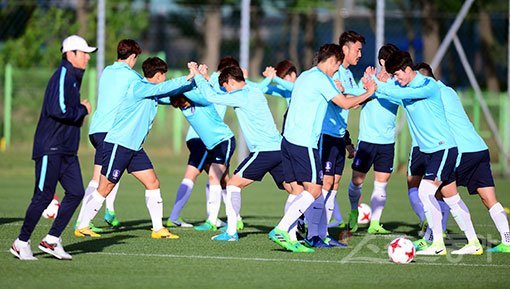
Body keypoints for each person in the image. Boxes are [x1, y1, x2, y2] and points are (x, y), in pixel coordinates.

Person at [268, 44, 376, 253]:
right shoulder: (321, 79)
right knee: (316, 190)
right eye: (337, 64)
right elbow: (344, 104)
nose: (337, 69)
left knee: (297, 190)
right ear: (332, 60)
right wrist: (369, 92)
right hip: (304, 143)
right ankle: (282, 229)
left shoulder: (305, 76)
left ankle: (291, 238)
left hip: (288, 140)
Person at [75, 57, 195, 239]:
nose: (165, 78)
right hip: (119, 144)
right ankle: (82, 225)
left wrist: (195, 81)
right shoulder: (139, 87)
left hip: (134, 148)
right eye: (164, 75)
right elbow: (163, 89)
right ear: (158, 75)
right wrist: (188, 76)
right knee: (106, 186)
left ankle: (158, 229)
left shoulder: (150, 91)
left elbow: (168, 93)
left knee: (153, 182)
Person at [374, 51, 481, 255]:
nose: (396, 79)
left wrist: (379, 85)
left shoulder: (427, 85)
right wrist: (368, 84)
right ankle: (474, 242)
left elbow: (398, 93)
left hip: (443, 148)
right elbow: (384, 91)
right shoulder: (402, 85)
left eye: (397, 75)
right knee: (451, 199)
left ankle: (437, 244)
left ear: (407, 69)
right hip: (432, 152)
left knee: (424, 191)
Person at [10, 35, 96, 260]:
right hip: (51, 148)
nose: (88, 57)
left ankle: (52, 240)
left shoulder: (74, 78)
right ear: (71, 54)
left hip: (67, 149)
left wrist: (79, 112)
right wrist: (82, 110)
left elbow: (66, 111)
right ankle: (21, 242)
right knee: (43, 196)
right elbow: (57, 109)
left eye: (88, 53)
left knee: (76, 191)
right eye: (84, 53)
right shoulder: (63, 75)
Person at [190, 64, 296, 244]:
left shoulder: (241, 96)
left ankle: (231, 233)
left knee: (232, 185)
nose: (227, 91)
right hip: (279, 149)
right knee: (295, 190)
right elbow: (220, 94)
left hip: (264, 151)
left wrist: (196, 76)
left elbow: (211, 96)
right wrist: (207, 78)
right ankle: (296, 231)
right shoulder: (254, 91)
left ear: (231, 82)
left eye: (226, 87)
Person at [413, 63, 510, 253]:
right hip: (479, 148)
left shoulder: (431, 93)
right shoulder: (448, 90)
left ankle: (437, 240)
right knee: (489, 198)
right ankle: (507, 240)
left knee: (439, 192)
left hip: (461, 151)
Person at [304, 31, 367, 248]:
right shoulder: (333, 72)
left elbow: (353, 100)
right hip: (326, 135)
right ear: (345, 49)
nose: (360, 54)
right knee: (323, 183)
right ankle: (312, 233)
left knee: (335, 184)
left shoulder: (348, 74)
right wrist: (369, 92)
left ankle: (323, 232)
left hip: (339, 136)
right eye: (357, 49)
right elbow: (343, 101)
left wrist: (368, 88)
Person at [75, 39, 143, 232]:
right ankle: (84, 220)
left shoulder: (107, 70)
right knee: (105, 177)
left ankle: (103, 213)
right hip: (111, 131)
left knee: (102, 174)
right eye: (135, 59)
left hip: (96, 129)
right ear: (132, 57)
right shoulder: (132, 76)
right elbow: (149, 89)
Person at [168, 56, 242, 230]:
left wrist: (194, 76)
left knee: (216, 178)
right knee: (223, 180)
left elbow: (202, 93)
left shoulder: (205, 98)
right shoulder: (187, 104)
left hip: (224, 141)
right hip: (210, 144)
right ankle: (231, 218)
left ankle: (215, 220)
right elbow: (169, 94)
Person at [344, 43, 400, 235]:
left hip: (387, 142)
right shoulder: (367, 79)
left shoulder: (397, 83)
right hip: (367, 140)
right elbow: (355, 102)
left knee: (381, 184)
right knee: (356, 182)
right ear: (383, 61)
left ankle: (375, 223)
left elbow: (398, 99)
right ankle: (353, 212)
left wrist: (376, 87)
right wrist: (368, 88)